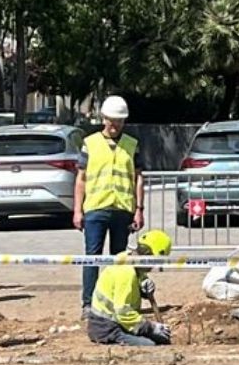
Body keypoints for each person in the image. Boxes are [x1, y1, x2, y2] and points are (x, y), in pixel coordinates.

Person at [73, 95, 144, 311]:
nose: (115, 125)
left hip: (122, 209)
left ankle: (115, 300)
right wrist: (77, 210)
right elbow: (81, 179)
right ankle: (88, 303)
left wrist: (139, 209)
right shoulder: (90, 143)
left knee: (119, 260)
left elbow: (138, 177)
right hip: (96, 208)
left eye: (119, 121)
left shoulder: (132, 145)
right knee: (92, 258)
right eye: (111, 120)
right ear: (103, 118)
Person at [88, 230, 173, 346]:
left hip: (116, 323)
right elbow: (123, 313)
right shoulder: (125, 273)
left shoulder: (129, 258)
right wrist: (150, 327)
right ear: (148, 255)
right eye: (155, 262)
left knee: (156, 339)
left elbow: (138, 276)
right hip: (106, 328)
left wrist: (143, 284)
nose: (154, 267)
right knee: (150, 344)